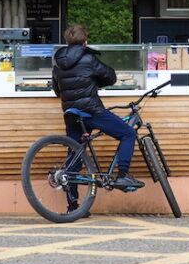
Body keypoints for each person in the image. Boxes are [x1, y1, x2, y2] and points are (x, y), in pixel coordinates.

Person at [52, 24, 144, 205]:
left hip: (71, 113)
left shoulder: (58, 61)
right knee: (128, 133)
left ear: (67, 42)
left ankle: (73, 206)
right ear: (85, 41)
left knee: (75, 155)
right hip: (91, 111)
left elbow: (57, 90)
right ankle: (123, 175)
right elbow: (111, 77)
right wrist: (95, 81)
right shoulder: (88, 58)